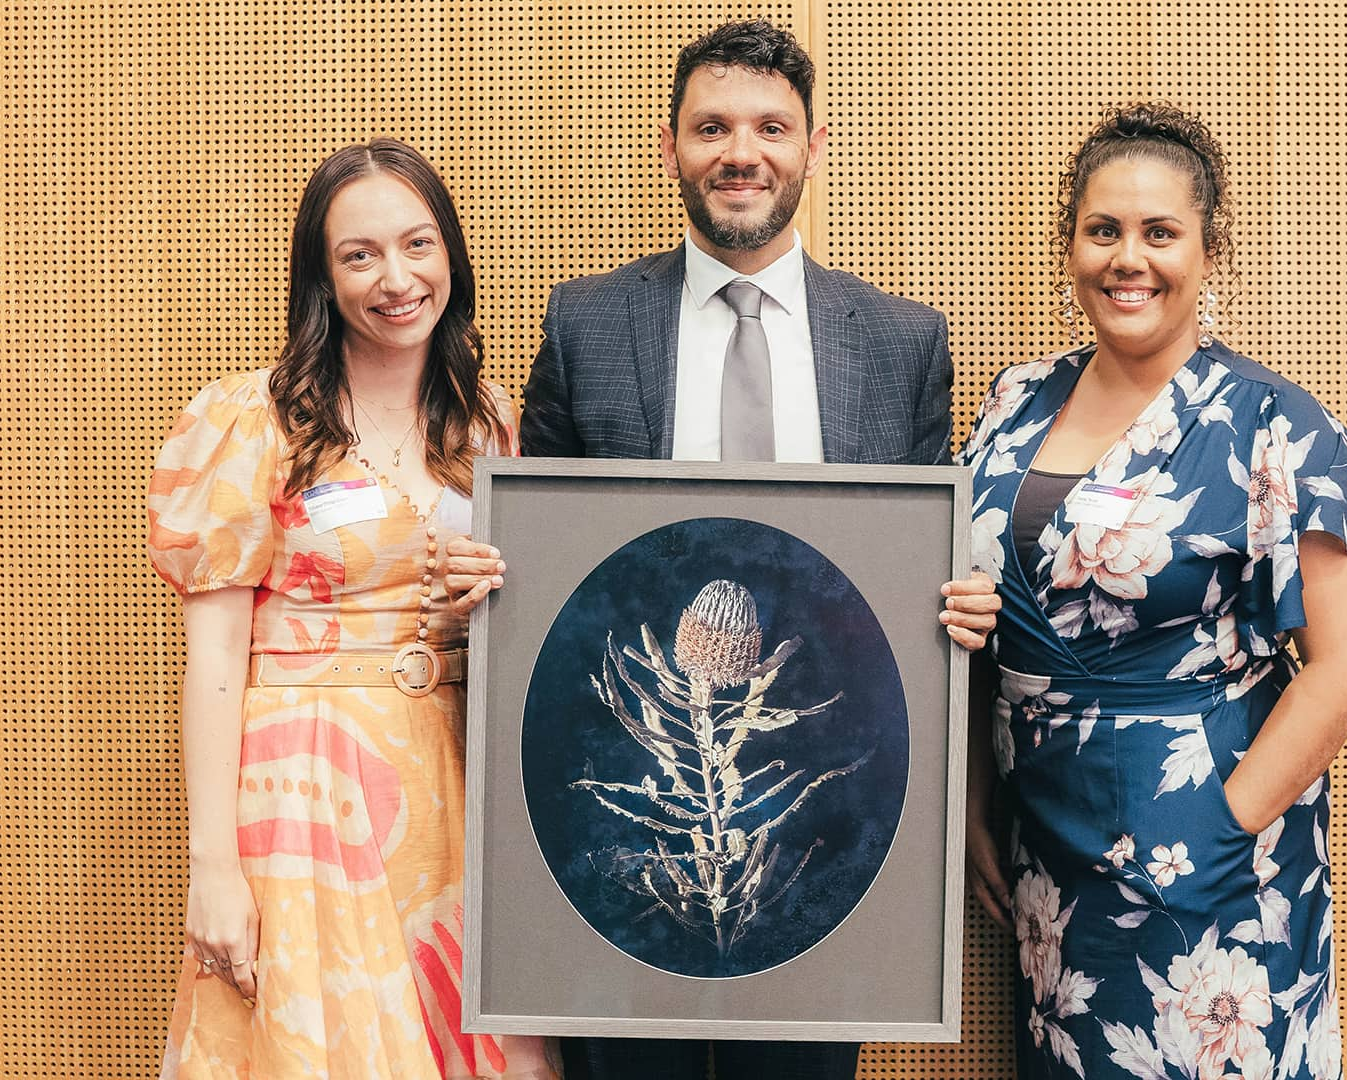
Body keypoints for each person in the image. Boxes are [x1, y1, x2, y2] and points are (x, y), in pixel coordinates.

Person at [442, 19, 998, 1080]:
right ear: (671, 147)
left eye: (769, 127)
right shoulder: (588, 324)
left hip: (824, 823)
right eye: (712, 127)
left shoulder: (899, 342)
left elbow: (923, 567)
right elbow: (545, 557)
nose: (741, 150)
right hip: (627, 821)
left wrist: (960, 605)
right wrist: (491, 571)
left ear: (812, 147)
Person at [960, 104, 1347, 1080]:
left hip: (1206, 858)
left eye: (1160, 233)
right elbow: (980, 617)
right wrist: (975, 806)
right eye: (1104, 230)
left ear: (1209, 250)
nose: (1129, 258)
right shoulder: (1013, 403)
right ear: (1070, 243)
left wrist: (1219, 828)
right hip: (1049, 860)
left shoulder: (1274, 424)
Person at [147, 138, 556, 1079]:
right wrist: (214, 869)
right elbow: (212, 660)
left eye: (418, 245)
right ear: (322, 279)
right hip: (306, 790)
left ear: (450, 253)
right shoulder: (257, 421)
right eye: (359, 255)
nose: (395, 278)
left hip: (456, 778)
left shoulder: (489, 421)